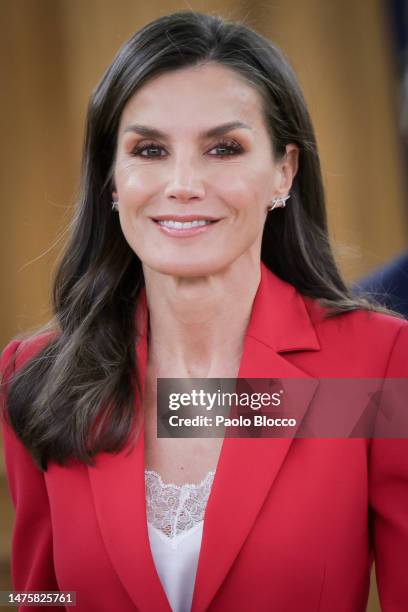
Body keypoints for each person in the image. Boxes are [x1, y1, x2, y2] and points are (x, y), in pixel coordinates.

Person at [1, 10, 407, 612]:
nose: (183, 182)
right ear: (112, 180)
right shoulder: (38, 375)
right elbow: (41, 599)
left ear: (283, 172)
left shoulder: (373, 364)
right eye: (150, 149)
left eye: (223, 148)